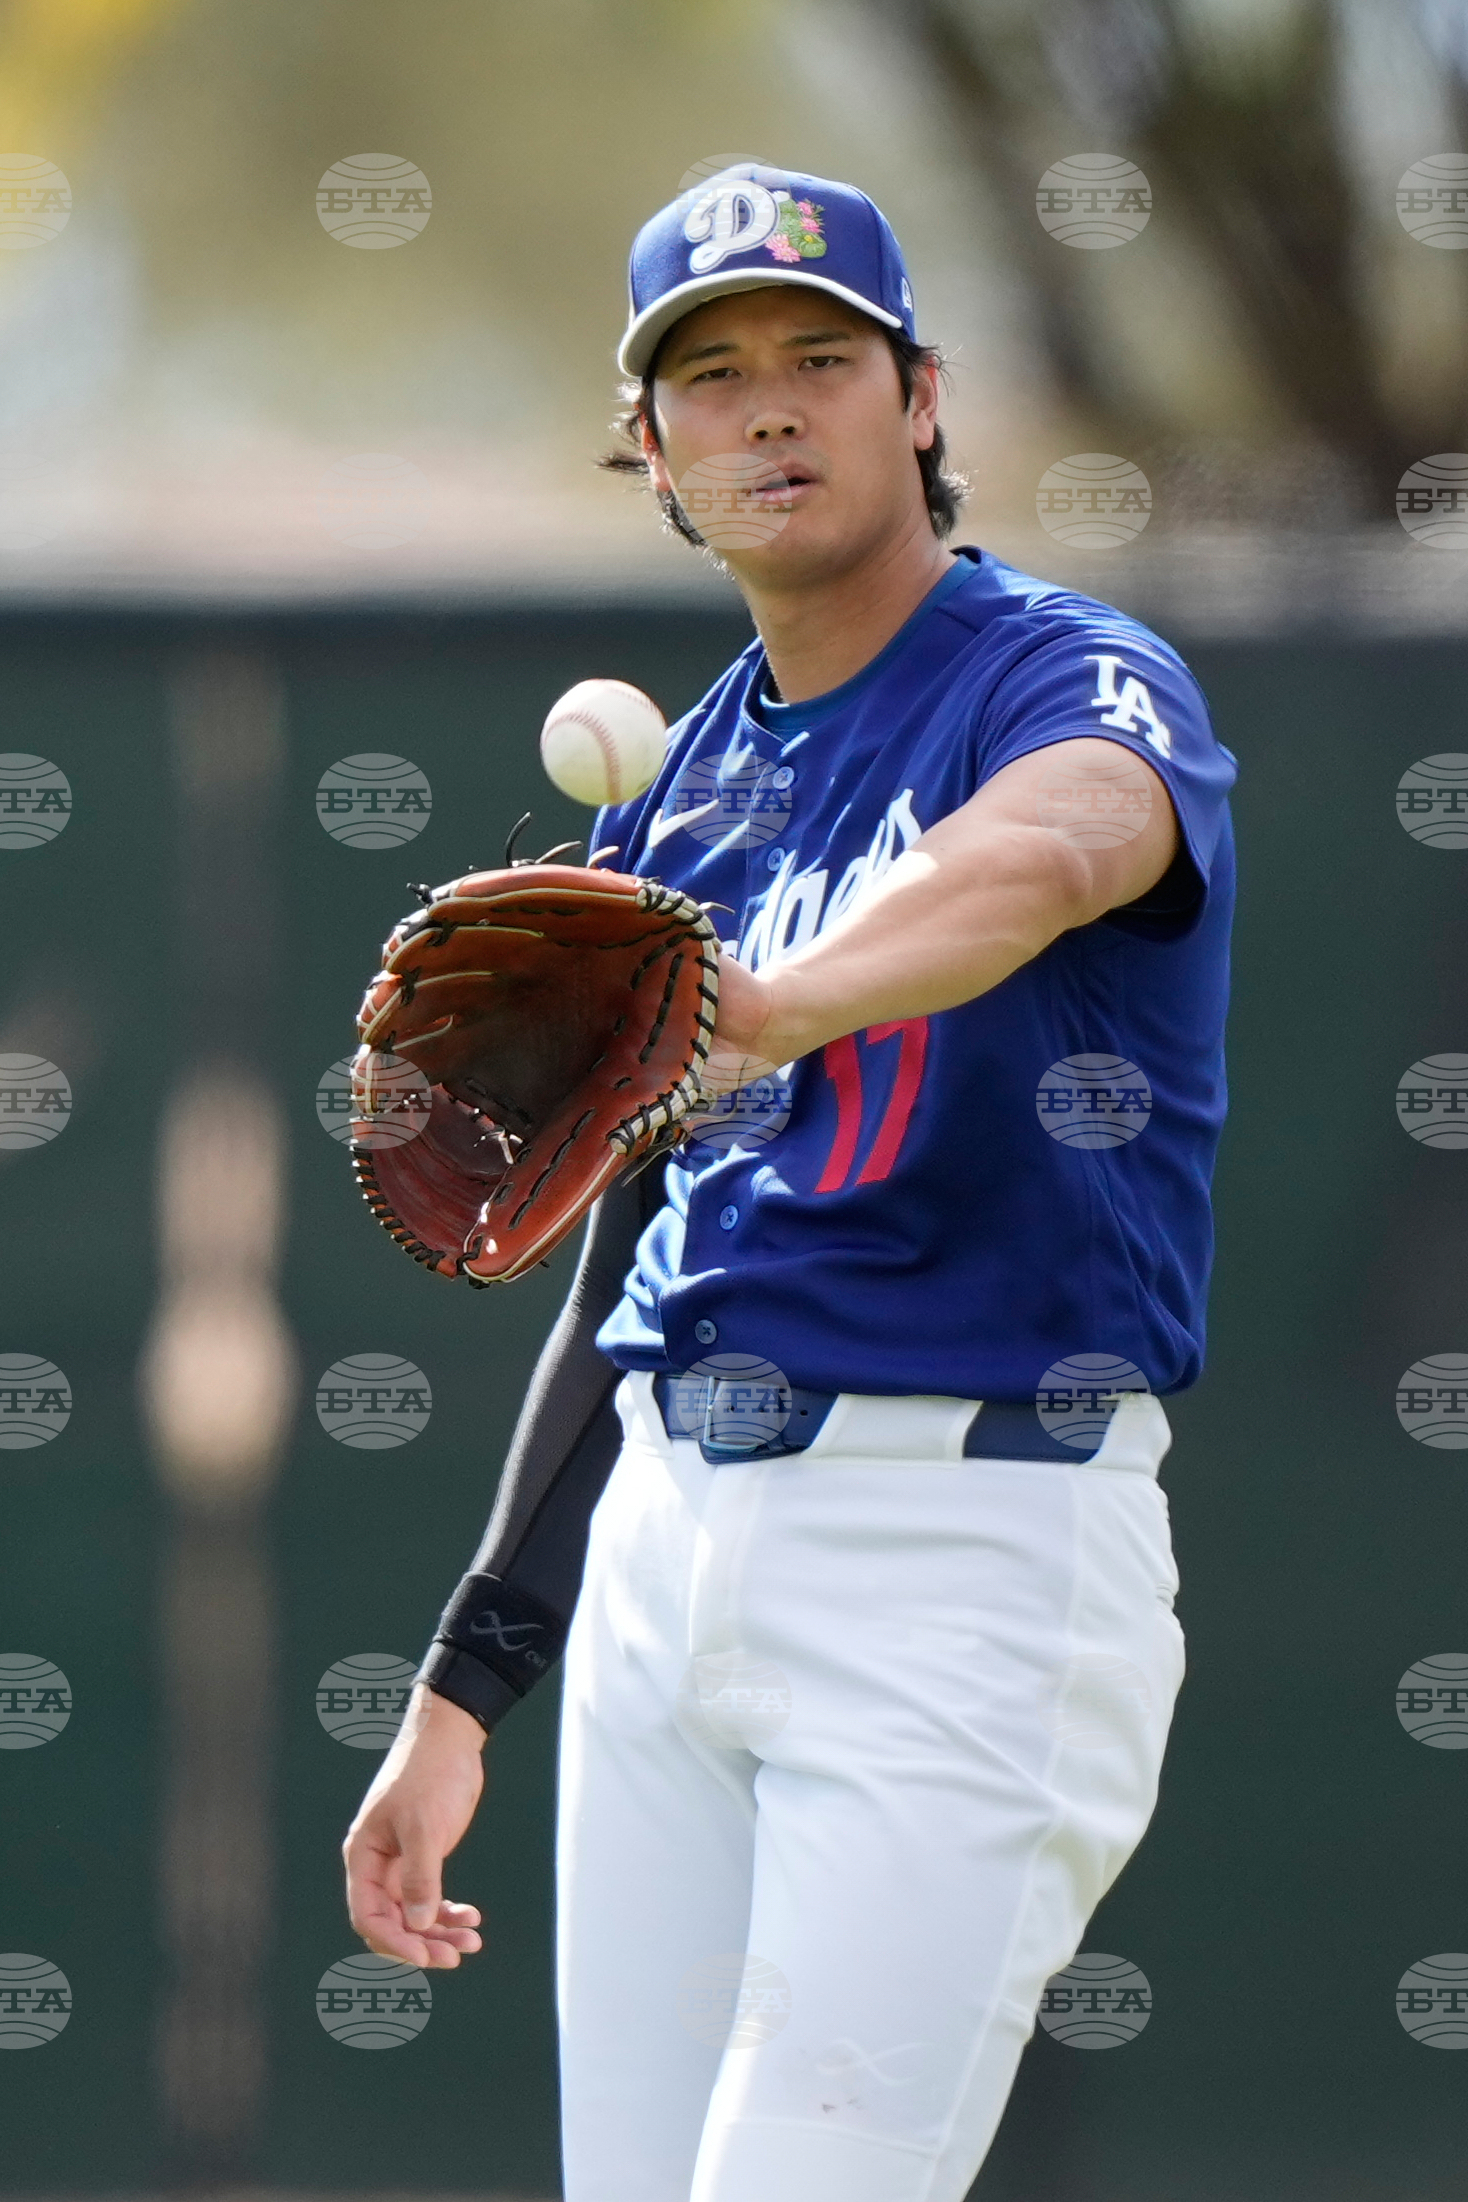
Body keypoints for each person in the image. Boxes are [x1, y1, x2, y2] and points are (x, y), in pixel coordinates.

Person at [343, 164, 1237, 2202]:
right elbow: (630, 1262)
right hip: (669, 1558)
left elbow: (1056, 852)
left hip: (963, 1560)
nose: (769, 407)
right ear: (644, 448)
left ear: (916, 398)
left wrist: (778, 1001)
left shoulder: (1060, 674)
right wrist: (469, 1680)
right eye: (711, 372)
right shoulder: (677, 798)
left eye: (819, 359)